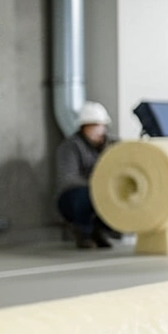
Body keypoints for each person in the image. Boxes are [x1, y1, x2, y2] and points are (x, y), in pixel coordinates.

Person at [55, 101, 120, 249]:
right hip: (75, 196)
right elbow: (68, 178)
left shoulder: (114, 144)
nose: (96, 129)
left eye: (99, 125)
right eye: (91, 125)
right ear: (83, 127)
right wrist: (97, 185)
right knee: (84, 196)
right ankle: (83, 232)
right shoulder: (70, 147)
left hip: (107, 190)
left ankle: (100, 230)